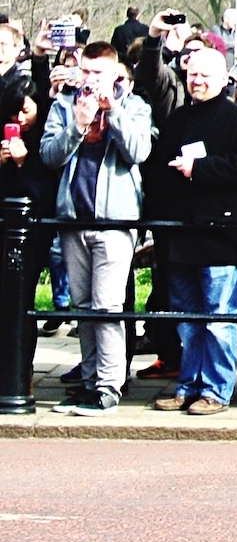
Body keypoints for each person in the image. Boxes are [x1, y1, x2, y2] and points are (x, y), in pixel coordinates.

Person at [145, 46, 237, 414]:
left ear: (224, 78)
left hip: (221, 237)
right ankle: (187, 384)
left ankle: (216, 390)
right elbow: (155, 171)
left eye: (205, 76)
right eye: (192, 74)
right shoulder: (177, 120)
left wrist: (200, 169)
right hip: (181, 236)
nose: (197, 81)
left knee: (218, 319)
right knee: (188, 321)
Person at [41, 43, 152, 416]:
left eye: (98, 74)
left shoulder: (133, 105)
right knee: (84, 307)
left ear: (115, 74)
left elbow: (138, 151)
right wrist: (77, 124)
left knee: (107, 306)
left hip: (115, 222)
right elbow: (49, 155)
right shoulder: (63, 105)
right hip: (74, 219)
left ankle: (108, 387)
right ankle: (89, 383)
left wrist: (112, 113)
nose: (90, 80)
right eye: (85, 72)